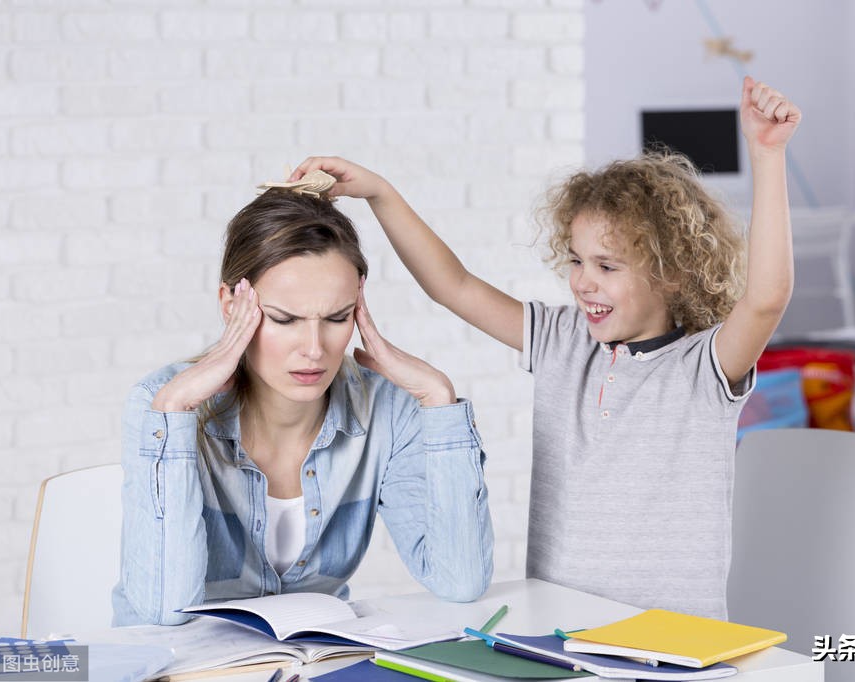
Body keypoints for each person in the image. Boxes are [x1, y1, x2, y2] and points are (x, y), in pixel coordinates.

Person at [290, 77, 800, 619]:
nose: (584, 282)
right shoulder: (564, 340)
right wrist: (379, 193)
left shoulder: (703, 368)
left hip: (674, 643)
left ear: (671, 274)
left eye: (607, 266)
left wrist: (767, 157)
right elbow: (453, 286)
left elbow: (766, 300)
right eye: (577, 261)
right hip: (561, 630)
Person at [112, 186, 494, 626]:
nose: (314, 350)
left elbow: (460, 581)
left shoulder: (388, 410)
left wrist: (439, 400)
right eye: (284, 319)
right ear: (231, 305)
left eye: (336, 318)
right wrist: (175, 410)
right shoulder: (162, 404)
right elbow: (164, 609)